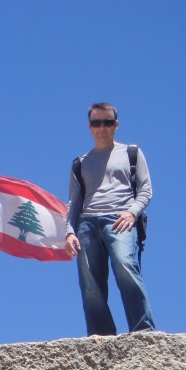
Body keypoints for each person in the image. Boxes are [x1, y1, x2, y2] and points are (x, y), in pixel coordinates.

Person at [65, 103, 156, 336]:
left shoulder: (131, 153)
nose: (102, 128)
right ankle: (101, 335)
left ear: (116, 124)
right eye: (96, 123)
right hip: (87, 223)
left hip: (120, 218)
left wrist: (132, 212)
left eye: (107, 122)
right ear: (89, 126)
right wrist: (69, 232)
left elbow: (146, 189)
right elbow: (74, 203)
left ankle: (143, 331)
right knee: (90, 285)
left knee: (125, 265)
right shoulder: (80, 162)